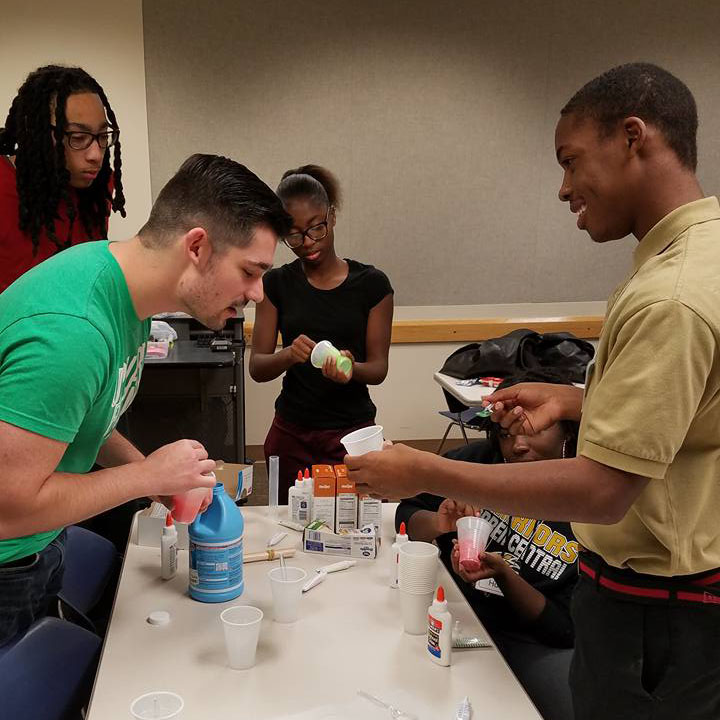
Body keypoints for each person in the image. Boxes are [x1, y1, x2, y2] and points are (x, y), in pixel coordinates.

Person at [347, 62, 720, 719]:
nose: (563, 188)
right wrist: (577, 401)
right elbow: (695, 410)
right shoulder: (702, 253)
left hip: (654, 616)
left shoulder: (673, 295)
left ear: (635, 136)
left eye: (571, 162)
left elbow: (604, 491)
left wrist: (423, 470)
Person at [0, 153, 291, 646]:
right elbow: (9, 509)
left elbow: (80, 416)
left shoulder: (123, 290)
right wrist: (146, 476)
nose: (258, 293)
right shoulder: (74, 333)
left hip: (41, 544)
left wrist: (155, 480)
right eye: (249, 270)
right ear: (197, 246)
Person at [397, 371, 578, 720]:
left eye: (533, 431)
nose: (518, 445)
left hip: (532, 639)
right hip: (462, 614)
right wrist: (438, 523)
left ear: (567, 429)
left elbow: (563, 628)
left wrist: (506, 578)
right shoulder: (482, 462)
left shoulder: (587, 496)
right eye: (507, 435)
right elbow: (407, 512)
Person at [249, 165, 393, 502]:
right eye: (295, 235)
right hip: (292, 432)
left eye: (317, 227)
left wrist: (350, 370)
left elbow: (378, 369)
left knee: (353, 526)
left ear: (332, 215)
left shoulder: (372, 285)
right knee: (288, 524)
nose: (308, 242)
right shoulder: (276, 284)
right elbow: (257, 366)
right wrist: (289, 355)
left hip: (351, 434)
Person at [0, 64, 125, 293]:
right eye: (78, 137)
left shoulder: (97, 191)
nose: (96, 155)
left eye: (102, 136)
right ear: (35, 133)